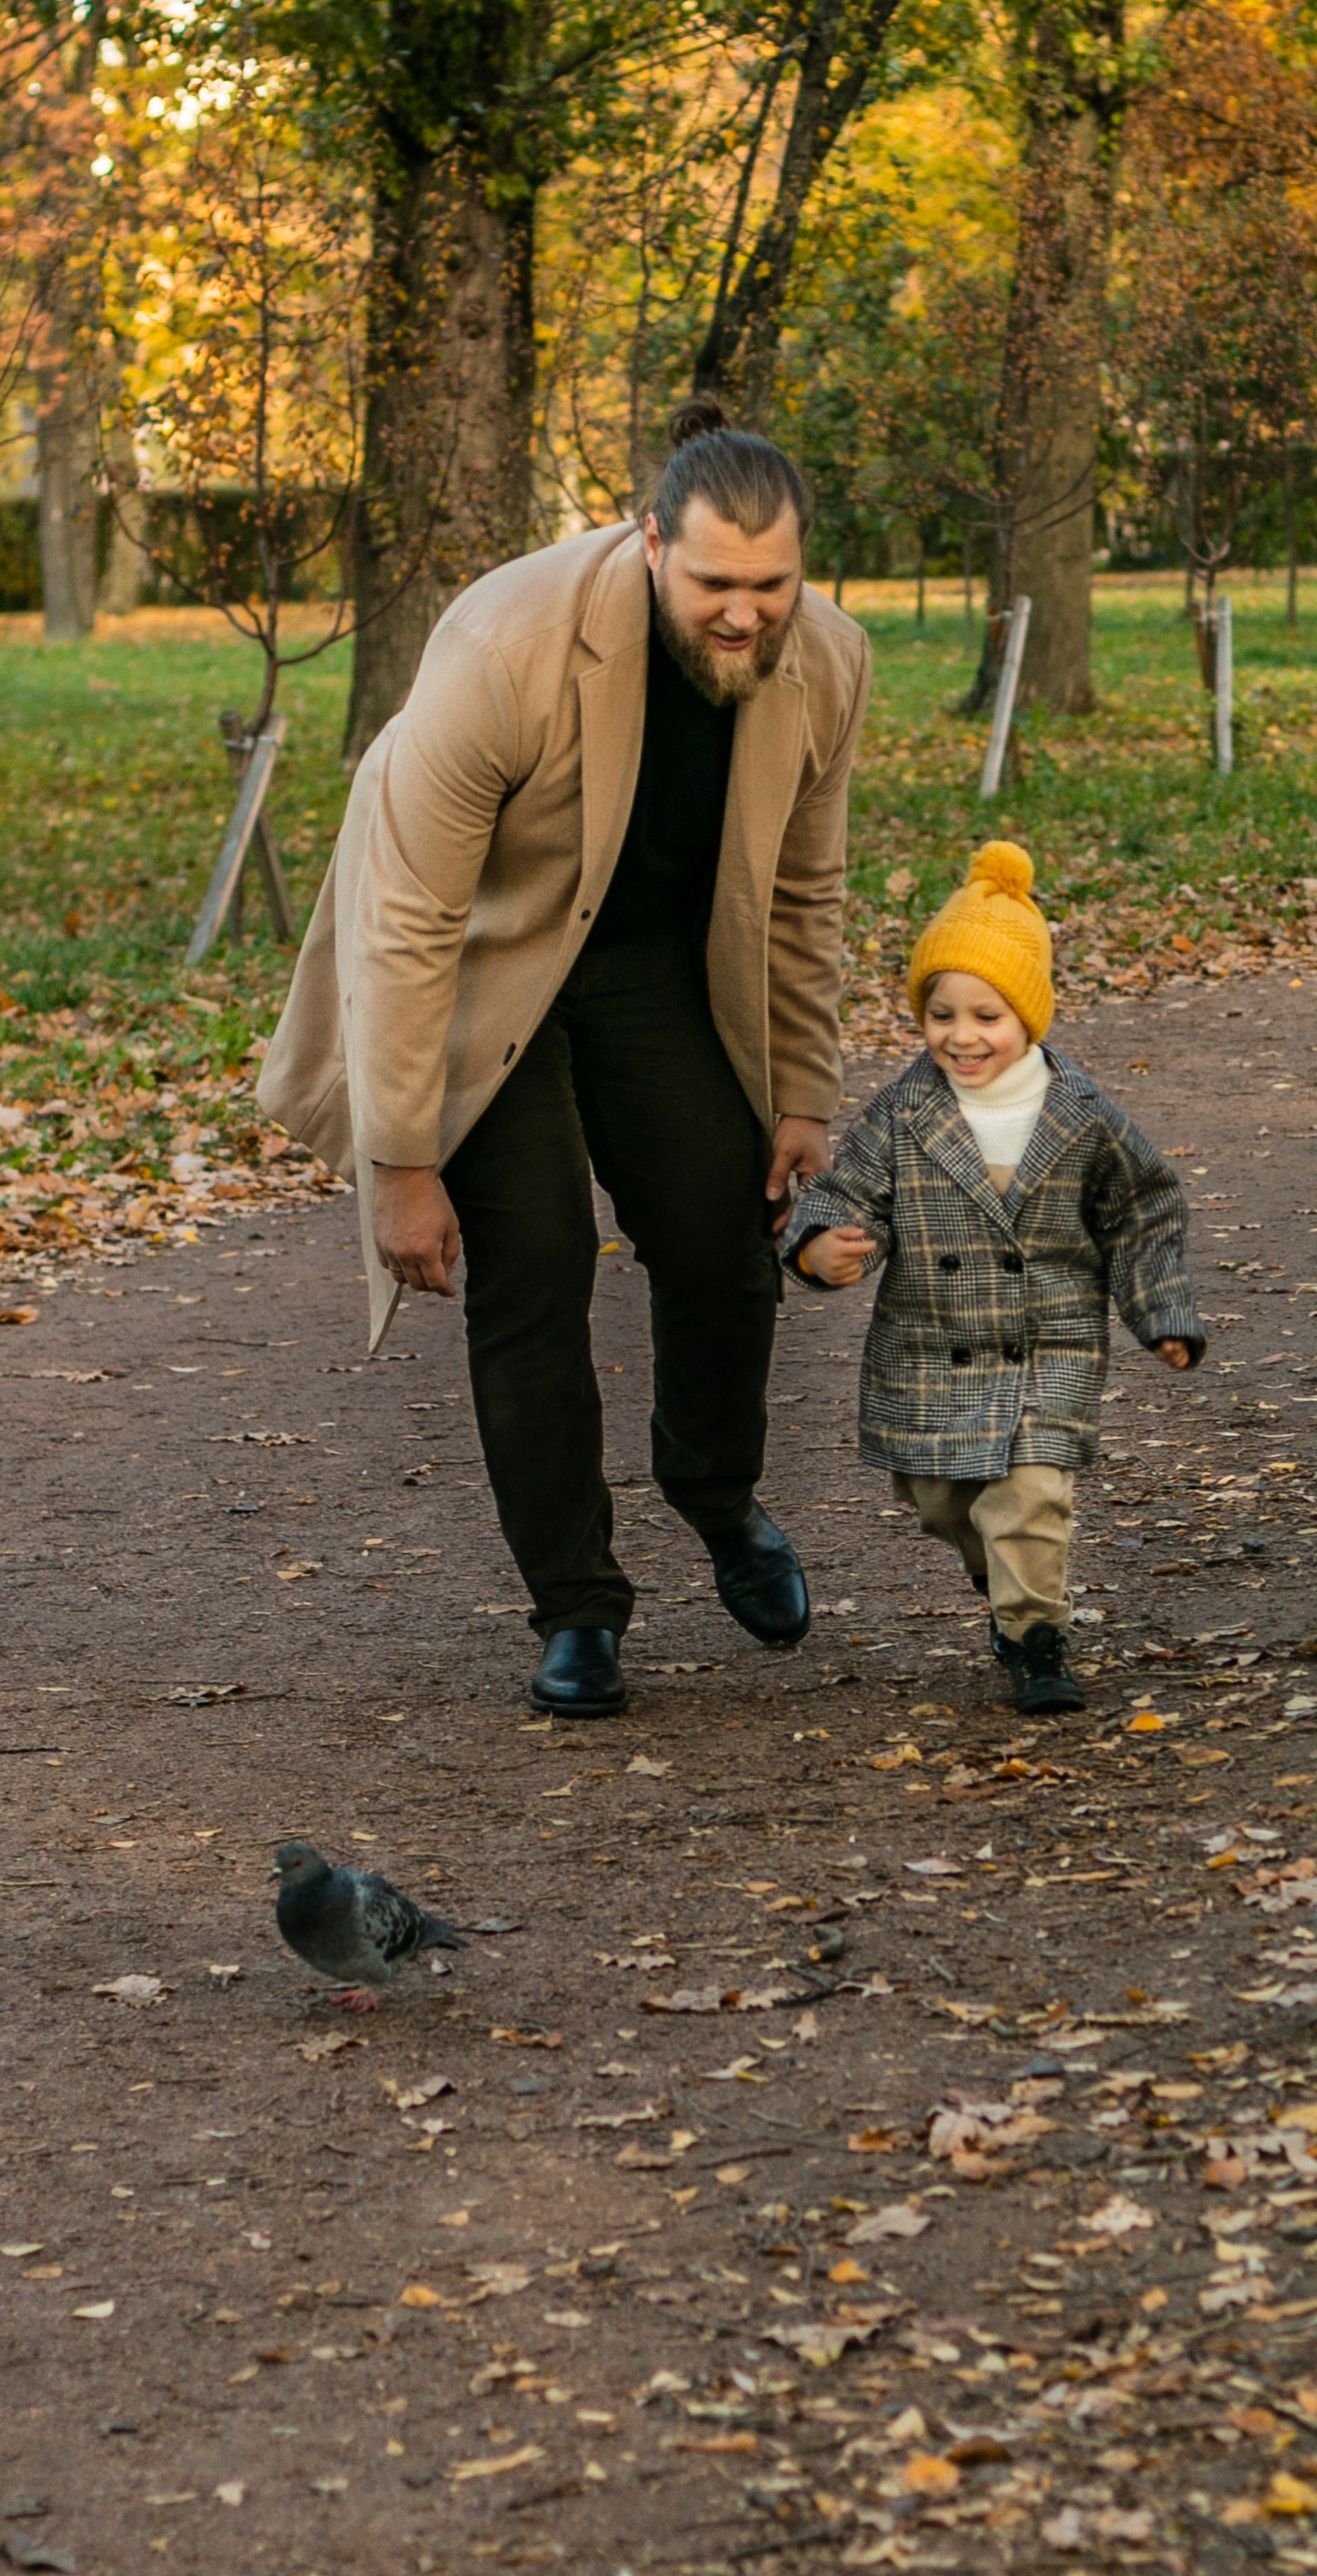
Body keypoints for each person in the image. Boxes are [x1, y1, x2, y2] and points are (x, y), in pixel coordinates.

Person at [259, 402, 871, 1720]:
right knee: (533, 1262)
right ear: (652, 544)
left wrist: (805, 1094)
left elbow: (805, 888)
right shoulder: (503, 645)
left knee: (721, 1234)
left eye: (772, 585)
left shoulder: (829, 662)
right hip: (486, 956)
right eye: (714, 584)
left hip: (649, 961)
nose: (744, 615)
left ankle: (716, 1495)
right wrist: (401, 1162)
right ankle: (578, 1608)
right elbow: (409, 921)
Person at [779, 841, 1203, 1715]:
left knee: (1028, 1495)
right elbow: (845, 1191)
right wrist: (818, 1247)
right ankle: (1005, 1579)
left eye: (987, 1015)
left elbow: (1141, 1210)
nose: (961, 1036)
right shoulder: (903, 1112)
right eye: (940, 1014)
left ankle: (1034, 1636)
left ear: (1029, 1017)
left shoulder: (1081, 1115)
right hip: (928, 1346)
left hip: (1048, 1345)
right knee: (942, 1500)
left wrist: (1160, 1311)